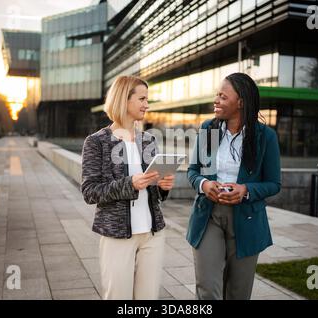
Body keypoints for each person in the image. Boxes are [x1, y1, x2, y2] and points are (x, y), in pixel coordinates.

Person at [187, 72, 281, 300]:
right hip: (208, 216)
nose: (216, 100)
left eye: (222, 96)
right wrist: (204, 184)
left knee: (238, 293)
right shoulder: (209, 129)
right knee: (208, 289)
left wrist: (246, 190)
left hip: (247, 220)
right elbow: (193, 171)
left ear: (241, 102)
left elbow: (274, 183)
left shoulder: (265, 136)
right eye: (216, 95)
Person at [81, 75, 175, 299]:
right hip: (117, 236)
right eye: (142, 98)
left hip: (152, 234)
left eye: (147, 99)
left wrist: (162, 186)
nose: (147, 104)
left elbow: (155, 191)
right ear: (124, 99)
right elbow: (90, 191)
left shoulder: (148, 140)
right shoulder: (97, 142)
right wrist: (129, 184)